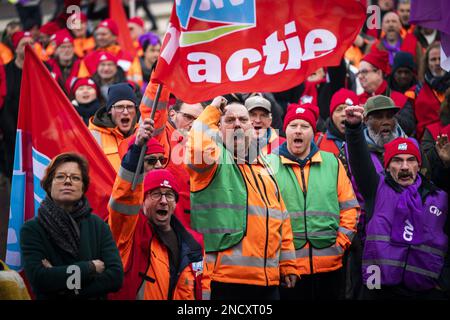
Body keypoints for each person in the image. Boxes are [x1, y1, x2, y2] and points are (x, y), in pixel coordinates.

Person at [186, 96, 298, 300]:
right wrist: (212, 110)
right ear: (219, 128)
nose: (237, 124)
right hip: (227, 281)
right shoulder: (214, 161)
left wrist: (288, 264)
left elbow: (281, 218)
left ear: (251, 127)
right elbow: (196, 148)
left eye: (243, 120)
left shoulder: (265, 165)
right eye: (229, 120)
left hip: (268, 281)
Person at [345, 104, 448, 300]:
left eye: (410, 160)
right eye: (397, 161)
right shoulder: (375, 189)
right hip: (378, 289)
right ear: (387, 166)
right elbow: (359, 158)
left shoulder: (439, 197)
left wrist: (443, 283)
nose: (404, 167)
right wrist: (353, 128)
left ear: (419, 165)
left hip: (423, 290)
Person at [267, 102, 359, 300]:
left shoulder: (332, 162)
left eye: (304, 126)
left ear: (313, 132)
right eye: (293, 126)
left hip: (330, 269)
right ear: (286, 130)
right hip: (287, 270)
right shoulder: (268, 165)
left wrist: (340, 245)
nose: (298, 131)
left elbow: (350, 208)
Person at [108, 119, 202, 300]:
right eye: (156, 194)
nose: (164, 201)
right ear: (143, 200)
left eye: (169, 195)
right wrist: (136, 151)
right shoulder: (129, 232)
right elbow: (124, 199)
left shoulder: (192, 243)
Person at [20, 153, 123, 299]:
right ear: (49, 184)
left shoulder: (99, 226)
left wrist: (63, 286)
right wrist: (90, 268)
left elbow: (115, 277)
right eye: (61, 176)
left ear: (83, 187)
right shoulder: (32, 229)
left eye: (75, 178)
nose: (68, 182)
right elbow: (40, 279)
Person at [357, 50, 416, 135]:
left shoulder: (399, 98)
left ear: (378, 72)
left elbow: (409, 127)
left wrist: (386, 113)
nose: (360, 76)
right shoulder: (357, 99)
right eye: (359, 73)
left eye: (364, 72)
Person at [89, 82, 138, 172]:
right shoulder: (93, 136)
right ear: (109, 110)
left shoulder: (142, 134)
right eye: (120, 107)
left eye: (130, 107)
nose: (126, 112)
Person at [406, 42, 450, 140]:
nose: (438, 62)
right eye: (433, 59)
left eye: (441, 59)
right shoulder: (414, 92)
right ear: (427, 63)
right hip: (427, 144)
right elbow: (409, 121)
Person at [315, 88, 359, 167]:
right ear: (331, 116)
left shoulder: (367, 141)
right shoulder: (317, 141)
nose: (343, 114)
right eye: (339, 110)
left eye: (348, 110)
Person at [46, 29, 81, 95]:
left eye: (69, 47)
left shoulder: (81, 65)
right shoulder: (48, 66)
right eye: (63, 47)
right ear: (56, 50)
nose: (67, 50)